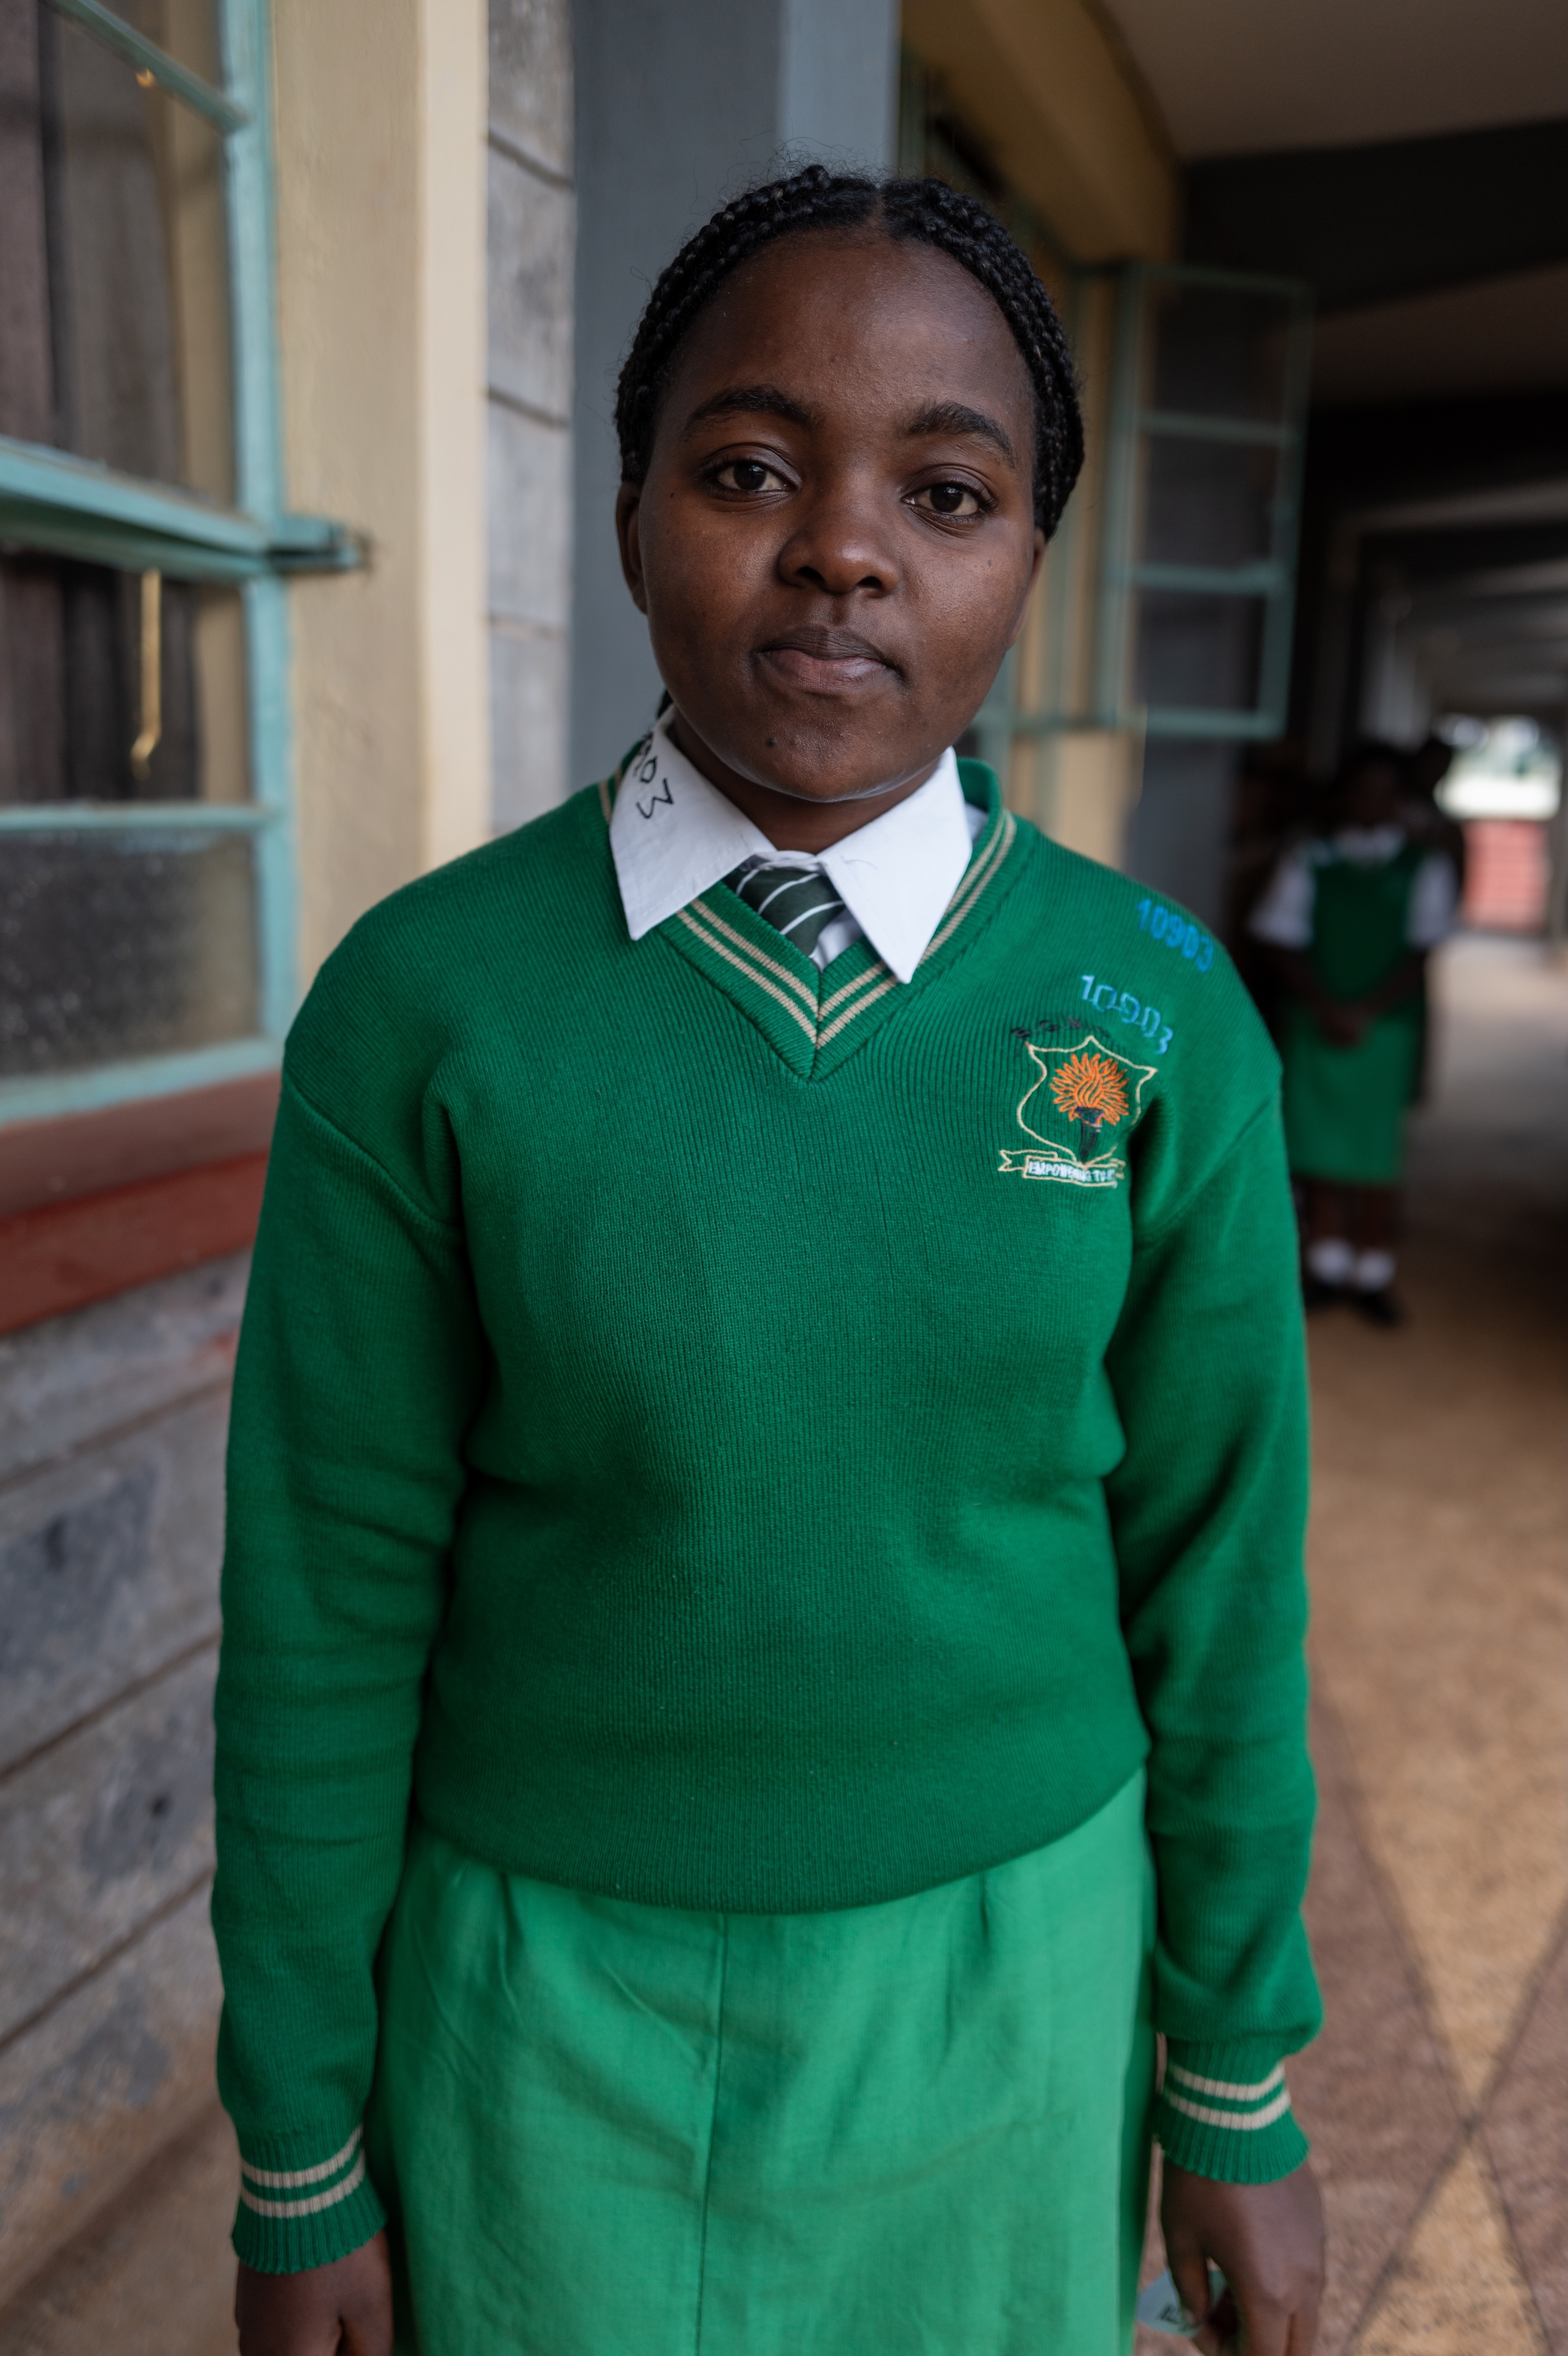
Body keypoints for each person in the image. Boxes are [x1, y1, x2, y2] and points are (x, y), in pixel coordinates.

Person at [215, 167, 1325, 2356]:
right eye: (746, 470)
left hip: (1011, 1986)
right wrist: (298, 2141)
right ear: (629, 511)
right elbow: (325, 1594)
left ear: (1029, 558)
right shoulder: (428, 1002)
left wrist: (1233, 2076)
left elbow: (1221, 1571)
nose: (842, 549)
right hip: (538, 2001)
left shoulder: (1154, 1009)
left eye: (947, 491)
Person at [1249, 739, 1459, 1325]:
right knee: (1314, 1148)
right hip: (1315, 1023)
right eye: (1363, 790)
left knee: (1375, 1154)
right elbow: (1278, 936)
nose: (1372, 802)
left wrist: (1363, 1011)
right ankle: (1325, 1264)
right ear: (1343, 796)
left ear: (1399, 800)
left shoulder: (1423, 865)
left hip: (1384, 1029)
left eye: (1385, 793)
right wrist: (1326, 1007)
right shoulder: (1309, 859)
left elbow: (1422, 949)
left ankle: (1373, 1269)